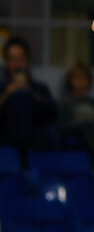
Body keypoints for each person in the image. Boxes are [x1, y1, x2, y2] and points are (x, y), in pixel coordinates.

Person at [0, 35, 57, 165]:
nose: (17, 63)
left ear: (27, 60)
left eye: (21, 58)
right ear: (7, 62)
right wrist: (8, 93)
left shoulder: (39, 88)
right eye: (12, 59)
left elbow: (53, 114)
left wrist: (30, 93)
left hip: (35, 138)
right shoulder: (2, 88)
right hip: (6, 137)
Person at [58, 62, 94, 164]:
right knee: (87, 130)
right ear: (70, 80)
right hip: (77, 136)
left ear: (89, 81)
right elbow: (62, 125)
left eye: (83, 78)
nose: (80, 81)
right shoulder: (64, 104)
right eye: (76, 78)